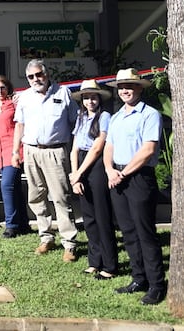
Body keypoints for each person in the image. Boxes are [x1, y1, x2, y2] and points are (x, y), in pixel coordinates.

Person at [104, 68, 166, 305]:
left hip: (138, 177)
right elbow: (109, 146)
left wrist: (123, 173)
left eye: (129, 86)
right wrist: (110, 170)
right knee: (128, 232)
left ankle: (157, 285)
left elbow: (148, 150)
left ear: (139, 88)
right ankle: (138, 278)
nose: (125, 90)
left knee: (145, 233)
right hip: (117, 176)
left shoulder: (150, 115)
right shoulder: (117, 116)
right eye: (121, 87)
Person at [12, 59, 78, 262]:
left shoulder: (63, 93)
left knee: (60, 197)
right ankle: (46, 237)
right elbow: (19, 125)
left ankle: (69, 243)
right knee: (36, 196)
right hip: (31, 151)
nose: (35, 79)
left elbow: (75, 123)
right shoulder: (24, 97)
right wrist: (16, 151)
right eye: (31, 76)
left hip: (56, 152)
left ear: (46, 74)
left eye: (38, 74)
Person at [69, 79, 116, 280]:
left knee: (102, 216)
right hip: (80, 164)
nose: (90, 101)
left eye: (93, 97)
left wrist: (79, 172)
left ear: (99, 99)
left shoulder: (105, 117)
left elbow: (98, 147)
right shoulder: (80, 118)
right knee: (88, 217)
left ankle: (110, 264)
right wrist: (75, 175)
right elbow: (74, 149)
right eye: (86, 98)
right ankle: (94, 261)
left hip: (96, 165)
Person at [0, 75, 30, 238]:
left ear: (8, 88)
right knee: (15, 188)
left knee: (6, 186)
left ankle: (11, 225)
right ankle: (23, 223)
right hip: (0, 153)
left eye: (2, 87)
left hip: (15, 150)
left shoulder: (14, 104)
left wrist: (16, 152)